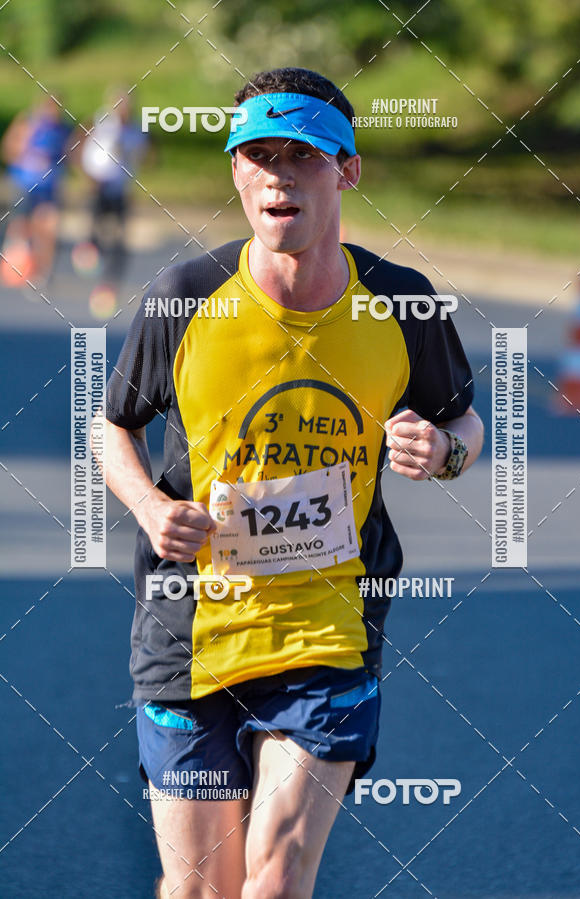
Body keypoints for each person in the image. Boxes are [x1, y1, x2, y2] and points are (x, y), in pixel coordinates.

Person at [98, 67, 484, 899]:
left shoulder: (402, 304)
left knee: (273, 881)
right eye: (257, 155)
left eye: (302, 155)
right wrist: (150, 504)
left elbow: (464, 424)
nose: (277, 173)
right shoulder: (185, 299)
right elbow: (113, 425)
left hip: (328, 633)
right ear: (236, 172)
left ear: (347, 170)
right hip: (189, 631)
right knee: (200, 886)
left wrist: (441, 450)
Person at [1, 95, 73, 287]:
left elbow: (68, 154)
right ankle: (16, 266)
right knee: (22, 226)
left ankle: (44, 271)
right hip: (25, 184)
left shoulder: (63, 129)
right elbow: (9, 149)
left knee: (49, 227)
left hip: (49, 186)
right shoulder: (28, 123)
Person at [80, 89, 148, 284]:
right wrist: (88, 175)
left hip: (120, 188)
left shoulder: (136, 129)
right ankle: (92, 264)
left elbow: (142, 154)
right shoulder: (101, 122)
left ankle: (112, 277)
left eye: (126, 105)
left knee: (120, 235)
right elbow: (81, 144)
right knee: (94, 232)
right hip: (100, 184)